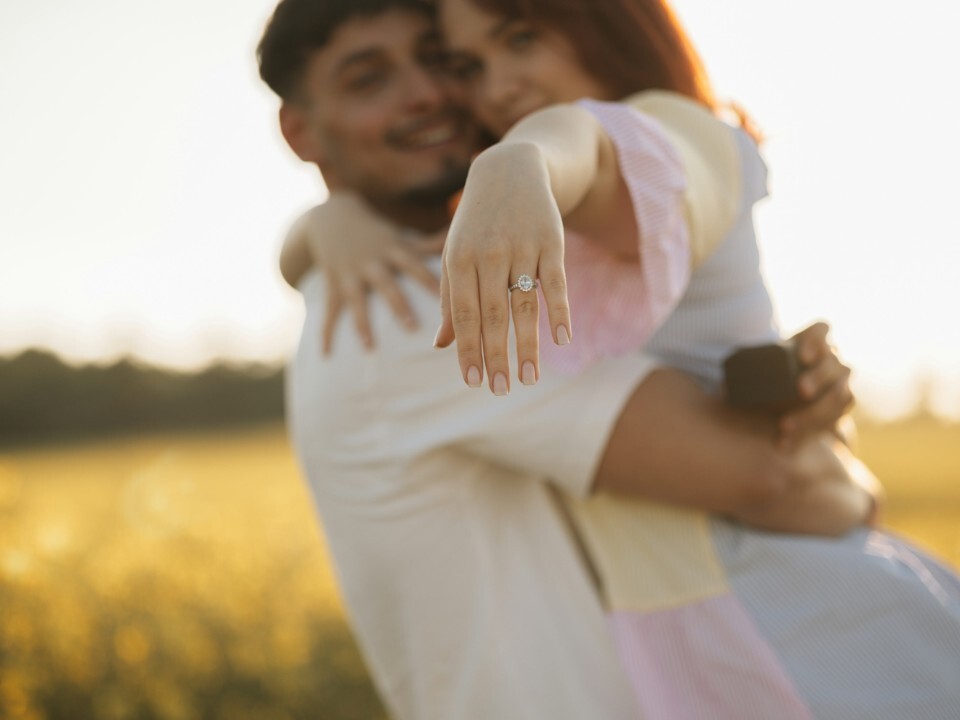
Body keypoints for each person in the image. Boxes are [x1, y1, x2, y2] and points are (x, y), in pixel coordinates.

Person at [257, 1, 896, 719]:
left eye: (441, 63)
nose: (434, 94)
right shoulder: (412, 305)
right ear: (301, 130)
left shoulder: (445, 260)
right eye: (369, 79)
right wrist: (847, 477)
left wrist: (322, 223)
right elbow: (767, 473)